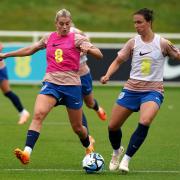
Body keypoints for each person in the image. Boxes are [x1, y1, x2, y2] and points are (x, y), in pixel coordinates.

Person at [0, 8, 103, 165]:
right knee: (38, 114)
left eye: (67, 24)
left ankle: (88, 146)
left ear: (70, 23)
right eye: (61, 24)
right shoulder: (49, 38)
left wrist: (88, 49)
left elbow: (99, 54)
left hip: (72, 86)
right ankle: (26, 153)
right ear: (56, 23)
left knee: (78, 128)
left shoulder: (77, 38)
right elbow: (30, 49)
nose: (64, 27)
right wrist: (6, 55)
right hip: (51, 84)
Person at [100, 8, 180, 173]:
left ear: (149, 22)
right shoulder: (133, 42)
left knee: (145, 121)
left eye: (139, 22)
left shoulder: (163, 43)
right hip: (131, 90)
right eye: (135, 23)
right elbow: (117, 61)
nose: (136, 26)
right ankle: (117, 152)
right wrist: (107, 75)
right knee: (113, 126)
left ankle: (126, 160)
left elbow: (177, 55)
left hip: (153, 91)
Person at [0, 43, 30, 125]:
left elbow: (1, 46)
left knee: (7, 92)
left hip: (1, 69)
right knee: (7, 92)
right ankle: (23, 112)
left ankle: (23, 112)